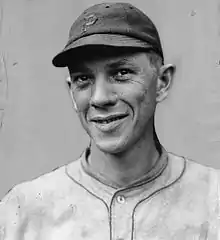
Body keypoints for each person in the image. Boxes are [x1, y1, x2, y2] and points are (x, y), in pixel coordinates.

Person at [0, 2, 219, 240]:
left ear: (162, 82)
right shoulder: (22, 211)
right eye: (83, 78)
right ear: (71, 91)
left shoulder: (213, 199)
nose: (99, 98)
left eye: (121, 73)